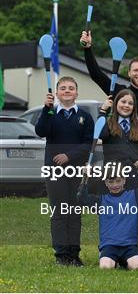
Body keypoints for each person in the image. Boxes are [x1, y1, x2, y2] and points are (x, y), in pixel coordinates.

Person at [35, 76, 93, 266]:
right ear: (57, 93)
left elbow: (88, 144)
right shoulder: (50, 114)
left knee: (74, 212)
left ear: (76, 93)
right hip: (55, 172)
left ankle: (73, 254)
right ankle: (61, 255)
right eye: (63, 88)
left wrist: (69, 156)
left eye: (71, 88)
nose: (67, 90)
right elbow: (41, 131)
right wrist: (46, 109)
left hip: (75, 170)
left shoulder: (85, 116)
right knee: (59, 212)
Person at [80, 31, 138, 166]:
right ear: (129, 73)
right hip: (118, 156)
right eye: (135, 70)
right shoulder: (119, 92)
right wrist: (88, 49)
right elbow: (96, 75)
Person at [77, 167, 138, 270]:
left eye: (118, 181)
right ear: (106, 183)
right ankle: (110, 259)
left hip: (129, 246)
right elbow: (81, 198)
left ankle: (125, 261)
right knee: (105, 268)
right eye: (111, 182)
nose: (115, 185)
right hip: (109, 246)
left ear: (124, 180)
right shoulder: (101, 201)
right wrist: (85, 177)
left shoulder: (135, 196)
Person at [99, 89, 138, 189]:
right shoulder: (109, 124)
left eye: (130, 103)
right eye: (123, 102)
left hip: (135, 176)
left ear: (134, 107)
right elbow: (100, 134)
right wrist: (103, 111)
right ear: (116, 103)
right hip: (114, 177)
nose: (126, 105)